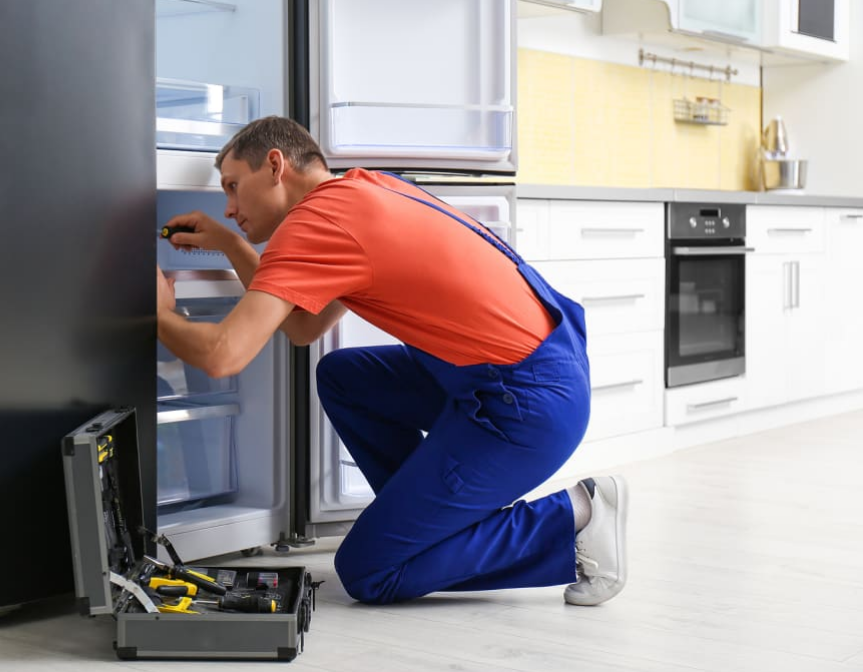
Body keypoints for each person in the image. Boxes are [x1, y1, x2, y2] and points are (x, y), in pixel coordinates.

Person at [156, 116, 628, 606]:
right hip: (543, 374)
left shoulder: (314, 224)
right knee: (344, 377)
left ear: (275, 165)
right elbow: (303, 327)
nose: (229, 208)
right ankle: (421, 524)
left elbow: (222, 354)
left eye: (233, 187)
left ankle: (577, 516)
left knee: (369, 572)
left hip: (522, 408)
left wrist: (158, 312)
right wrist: (233, 246)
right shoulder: (371, 187)